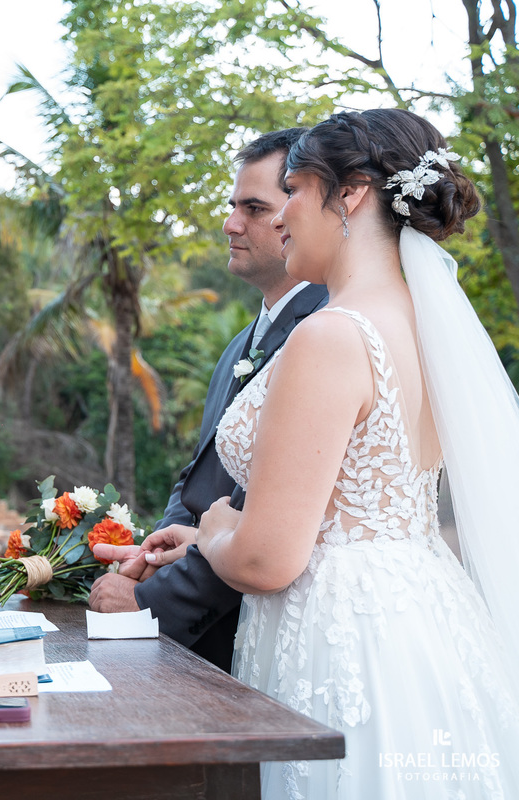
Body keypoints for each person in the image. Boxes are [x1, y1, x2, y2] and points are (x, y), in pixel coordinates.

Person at [125, 109, 519, 797]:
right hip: (419, 618)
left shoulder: (332, 335)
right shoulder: (422, 323)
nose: (281, 216)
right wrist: (203, 536)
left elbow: (266, 560)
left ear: (353, 193)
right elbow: (348, 509)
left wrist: (219, 530)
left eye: (297, 190)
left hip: (346, 644)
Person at [89, 128, 328, 671]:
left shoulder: (324, 334)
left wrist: (152, 604)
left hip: (260, 634)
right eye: (231, 205)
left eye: (253, 206)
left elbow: (267, 517)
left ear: (298, 207)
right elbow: (199, 479)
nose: (230, 223)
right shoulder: (238, 347)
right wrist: (150, 557)